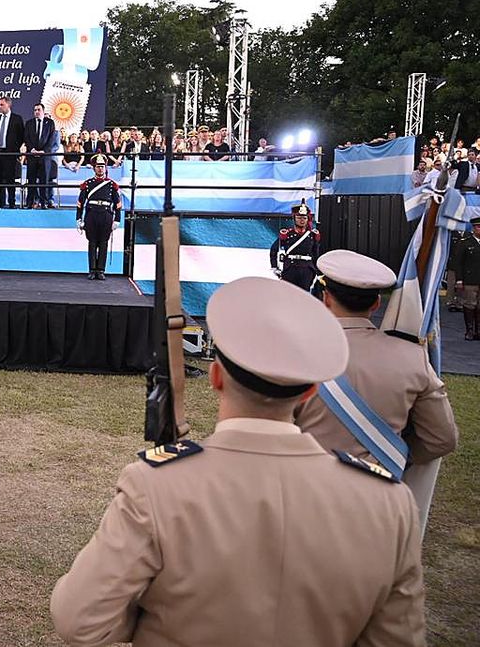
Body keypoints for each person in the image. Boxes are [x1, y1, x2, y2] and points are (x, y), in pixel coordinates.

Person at [50, 276, 425, 647]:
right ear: (311, 392)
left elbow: (79, 620)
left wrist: (155, 619)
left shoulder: (155, 486)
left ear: (216, 376)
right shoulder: (389, 504)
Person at [296, 250, 457, 515]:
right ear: (375, 305)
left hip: (308, 496)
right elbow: (442, 438)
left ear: (326, 298)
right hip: (380, 500)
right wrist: (389, 455)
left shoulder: (296, 354)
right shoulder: (413, 358)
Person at [74, 155, 121, 281]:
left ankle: (101, 270)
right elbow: (80, 203)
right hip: (91, 215)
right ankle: (92, 270)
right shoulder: (87, 184)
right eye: (98, 167)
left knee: (104, 243)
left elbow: (118, 204)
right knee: (92, 242)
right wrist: (79, 219)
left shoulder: (111, 185)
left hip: (106, 215)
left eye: (102, 167)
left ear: (105, 168)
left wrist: (117, 220)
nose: (100, 169)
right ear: (94, 168)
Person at [269, 201, 320, 291]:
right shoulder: (287, 234)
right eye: (299, 217)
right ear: (294, 218)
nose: (302, 220)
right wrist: (274, 267)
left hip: (307, 269)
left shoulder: (312, 235)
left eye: (304, 218)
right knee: (288, 294)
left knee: (304, 295)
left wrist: (316, 271)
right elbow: (274, 250)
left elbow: (316, 253)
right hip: (290, 268)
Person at [0, 96, 24, 207]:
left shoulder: (17, 119)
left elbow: (21, 136)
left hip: (10, 154)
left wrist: (15, 150)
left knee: (10, 180)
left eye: (2, 104)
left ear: (8, 104)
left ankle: (12, 203)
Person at [450, 216, 480, 339]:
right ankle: (470, 331)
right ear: (473, 228)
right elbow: (458, 263)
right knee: (469, 305)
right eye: (478, 227)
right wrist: (459, 279)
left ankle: (478, 331)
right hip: (470, 279)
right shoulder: (465, 243)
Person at [24, 103, 55, 208]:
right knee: (31, 181)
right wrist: (32, 149)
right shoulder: (29, 123)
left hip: (45, 157)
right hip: (32, 156)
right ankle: (29, 203)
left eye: (38, 110)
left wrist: (44, 151)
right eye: (35, 110)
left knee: (44, 181)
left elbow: (51, 139)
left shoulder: (50, 123)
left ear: (43, 111)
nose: (36, 112)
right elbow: (26, 138)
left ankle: (44, 203)